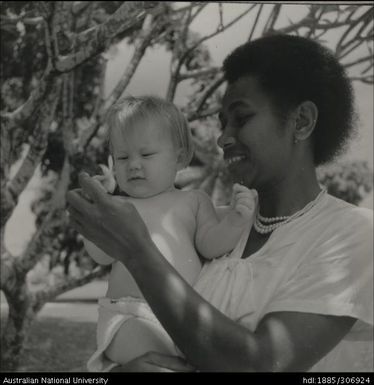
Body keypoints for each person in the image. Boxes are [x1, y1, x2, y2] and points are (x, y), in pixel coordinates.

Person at [67, 34, 373, 372]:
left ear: (301, 122)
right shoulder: (219, 224)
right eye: (222, 123)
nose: (223, 137)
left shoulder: (353, 233)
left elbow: (263, 364)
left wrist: (136, 249)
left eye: (241, 119)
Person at [84, 96, 257, 371]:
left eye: (147, 155)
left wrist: (236, 220)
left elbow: (210, 244)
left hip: (185, 316)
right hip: (131, 313)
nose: (134, 165)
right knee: (160, 360)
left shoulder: (194, 201)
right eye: (123, 157)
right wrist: (94, 217)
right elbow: (101, 255)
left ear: (179, 158)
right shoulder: (119, 207)